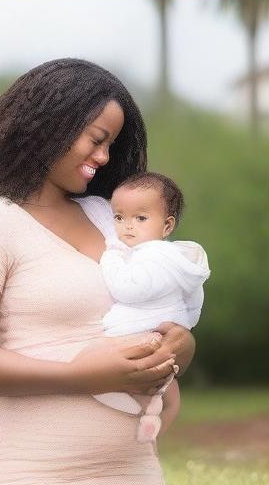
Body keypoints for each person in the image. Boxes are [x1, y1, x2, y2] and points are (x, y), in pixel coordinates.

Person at [0, 58, 196, 485]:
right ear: (48, 124)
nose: (104, 158)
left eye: (111, 145)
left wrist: (181, 344)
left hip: (134, 479)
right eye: (96, 139)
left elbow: (155, 313)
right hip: (31, 480)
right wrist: (82, 376)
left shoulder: (110, 219)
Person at [75, 171, 210, 442]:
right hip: (160, 333)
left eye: (140, 218)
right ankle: (153, 415)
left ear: (167, 226)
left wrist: (111, 256)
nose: (127, 226)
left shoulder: (152, 256)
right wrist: (185, 323)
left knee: (88, 365)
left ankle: (134, 411)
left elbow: (127, 288)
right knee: (165, 388)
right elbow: (195, 298)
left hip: (134, 333)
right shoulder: (177, 260)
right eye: (119, 217)